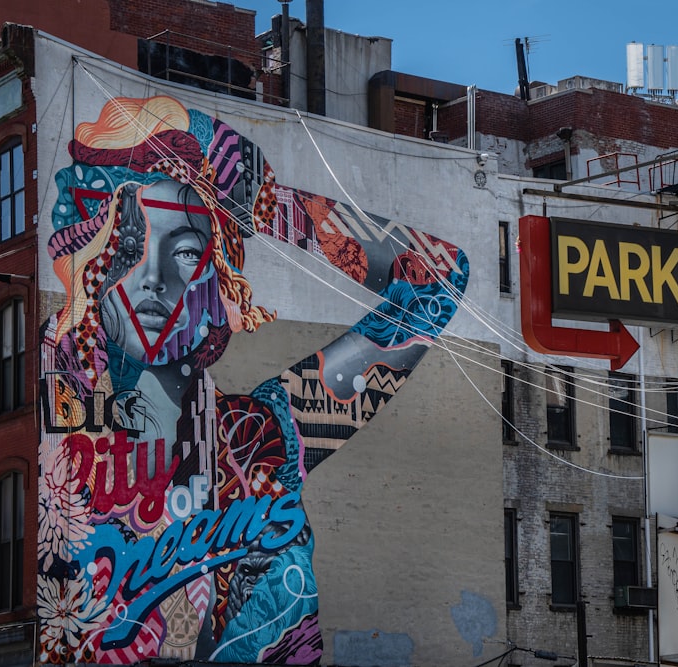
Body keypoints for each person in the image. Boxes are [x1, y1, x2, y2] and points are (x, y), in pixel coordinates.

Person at [37, 95, 469, 665]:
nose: (151, 279)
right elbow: (65, 335)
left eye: (186, 250)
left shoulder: (265, 437)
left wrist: (268, 207)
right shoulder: (71, 427)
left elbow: (436, 279)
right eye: (128, 247)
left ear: (223, 283)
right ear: (95, 267)